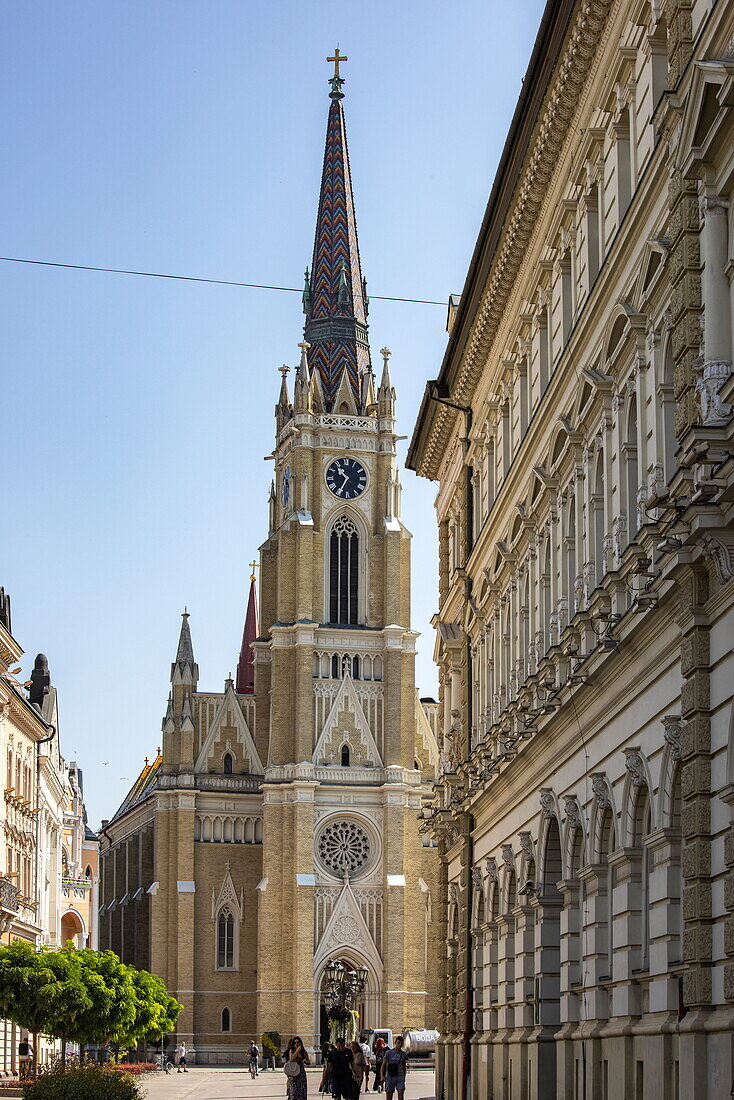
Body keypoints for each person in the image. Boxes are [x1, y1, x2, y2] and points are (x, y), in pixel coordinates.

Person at [286, 1036, 310, 1100]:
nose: (296, 1044)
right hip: (294, 1074)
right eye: (295, 1043)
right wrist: (297, 1051)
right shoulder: (292, 1051)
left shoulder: (303, 1052)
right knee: (294, 1093)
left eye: (298, 1042)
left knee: (302, 1094)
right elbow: (292, 1059)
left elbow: (308, 1062)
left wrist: (305, 1061)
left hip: (301, 1074)